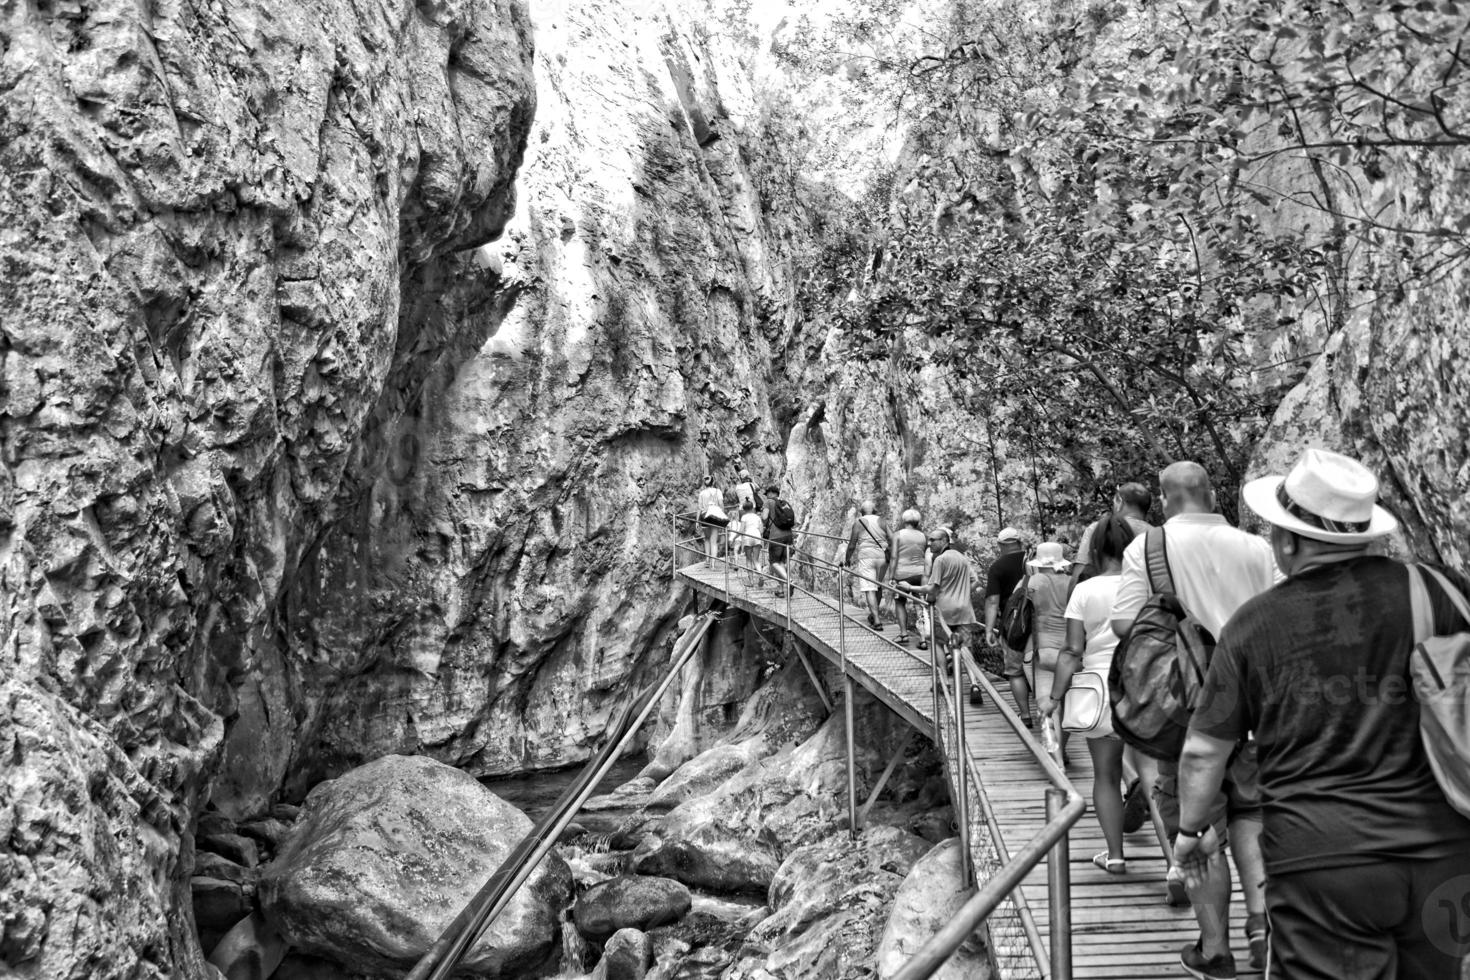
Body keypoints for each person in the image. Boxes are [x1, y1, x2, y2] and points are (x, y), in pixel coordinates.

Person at [1178, 448, 1470, 980]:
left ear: (1288, 541)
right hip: (1445, 856)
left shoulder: (1252, 625)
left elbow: (1203, 752)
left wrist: (1191, 829)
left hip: (1322, 861)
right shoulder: (1443, 590)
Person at [1110, 461, 1277, 979]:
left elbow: (1123, 623)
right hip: (1254, 703)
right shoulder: (1259, 547)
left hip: (1184, 711)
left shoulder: (1149, 548)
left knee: (1197, 824)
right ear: (1210, 493)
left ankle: (1214, 949)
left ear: (1164, 499)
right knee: (1251, 811)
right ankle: (1261, 923)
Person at [1047, 516, 1137, 873]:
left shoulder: (1085, 590)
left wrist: (1055, 697)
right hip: (1145, 683)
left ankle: (1115, 856)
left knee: (1105, 774)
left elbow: (1071, 650)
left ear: (1096, 551)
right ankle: (1176, 859)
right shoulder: (1147, 586)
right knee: (1153, 774)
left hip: (1101, 689)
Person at [898, 527, 977, 661]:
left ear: (944, 540)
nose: (929, 543)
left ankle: (944, 680)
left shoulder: (939, 560)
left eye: (933, 540)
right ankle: (973, 680)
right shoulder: (962, 558)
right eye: (929, 540)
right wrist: (963, 593)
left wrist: (909, 587)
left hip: (944, 610)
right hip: (964, 610)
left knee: (939, 643)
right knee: (964, 646)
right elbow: (976, 581)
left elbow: (932, 588)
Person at [983, 527, 1032, 725]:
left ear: (1001, 545)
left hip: (1013, 627)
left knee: (1015, 671)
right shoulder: (1033, 562)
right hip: (1041, 623)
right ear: (1019, 542)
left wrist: (989, 630)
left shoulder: (997, 567)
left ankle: (1026, 714)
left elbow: (993, 601)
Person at [1026, 541, 1073, 742]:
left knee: (1047, 704)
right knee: (1066, 705)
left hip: (1043, 652)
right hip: (1071, 653)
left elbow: (1025, 611)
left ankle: (1057, 759)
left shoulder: (1035, 581)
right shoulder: (1073, 582)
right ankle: (1063, 748)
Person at [1071, 482, 1154, 588]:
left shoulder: (1100, 528)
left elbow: (1079, 574)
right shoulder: (1158, 534)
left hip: (1102, 597)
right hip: (1143, 597)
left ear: (1120, 502)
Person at [845, 500, 892, 630]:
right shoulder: (882, 521)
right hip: (882, 557)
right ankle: (874, 615)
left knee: (869, 588)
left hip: (866, 557)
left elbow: (852, 544)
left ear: (862, 511)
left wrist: (847, 558)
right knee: (878, 585)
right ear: (874, 510)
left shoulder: (859, 522)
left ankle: (876, 620)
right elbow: (892, 538)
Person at [888, 509, 927, 644]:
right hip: (920, 574)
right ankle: (923, 639)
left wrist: (891, 577)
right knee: (920, 605)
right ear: (917, 521)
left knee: (900, 603)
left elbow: (894, 557)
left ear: (904, 520)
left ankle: (904, 634)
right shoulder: (923, 536)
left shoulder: (898, 535)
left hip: (901, 574)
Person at [762, 484, 794, 594]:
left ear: (771, 493)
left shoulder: (769, 502)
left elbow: (764, 517)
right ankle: (780, 590)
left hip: (776, 536)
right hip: (788, 535)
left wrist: (765, 525)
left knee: (774, 562)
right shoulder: (784, 502)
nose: (766, 496)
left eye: (767, 494)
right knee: (782, 563)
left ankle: (789, 580)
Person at [696, 475, 725, 566]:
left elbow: (699, 508)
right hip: (714, 516)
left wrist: (697, 521)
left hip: (705, 516)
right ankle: (713, 564)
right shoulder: (718, 491)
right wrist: (723, 517)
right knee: (714, 541)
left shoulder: (702, 493)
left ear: (705, 484)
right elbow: (721, 504)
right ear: (713, 482)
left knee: (707, 539)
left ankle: (707, 560)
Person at [737, 500, 763, 584]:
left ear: (744, 509)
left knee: (748, 559)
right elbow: (761, 530)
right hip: (757, 536)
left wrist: (734, 538)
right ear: (752, 508)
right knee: (756, 559)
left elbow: (741, 530)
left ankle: (751, 581)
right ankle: (760, 574)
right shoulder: (757, 517)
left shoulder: (744, 517)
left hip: (748, 537)